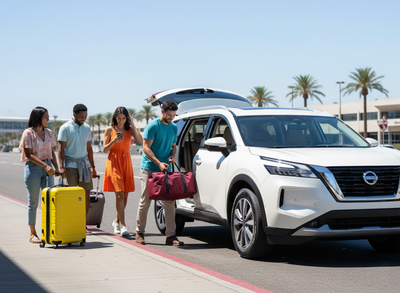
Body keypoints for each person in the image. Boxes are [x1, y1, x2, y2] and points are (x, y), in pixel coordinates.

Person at [135, 100, 184, 246]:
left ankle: (171, 236)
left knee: (169, 201)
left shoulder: (174, 127)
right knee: (146, 200)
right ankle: (139, 233)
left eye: (174, 115)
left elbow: (173, 146)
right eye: (169, 114)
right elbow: (146, 148)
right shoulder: (152, 126)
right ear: (162, 111)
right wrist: (158, 163)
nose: (171, 117)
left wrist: (172, 155)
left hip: (165, 169)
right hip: (149, 168)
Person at [19, 107, 59, 243]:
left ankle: (49, 231)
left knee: (50, 201)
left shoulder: (48, 132)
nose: (48, 119)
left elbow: (51, 152)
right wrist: (45, 166)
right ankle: (33, 233)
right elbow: (29, 155)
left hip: (48, 168)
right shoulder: (28, 133)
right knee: (34, 202)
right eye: (46, 117)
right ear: (38, 117)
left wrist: (57, 167)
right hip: (34, 168)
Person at [103, 107, 143, 236]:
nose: (121, 120)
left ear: (127, 119)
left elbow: (140, 141)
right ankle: (123, 225)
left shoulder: (129, 130)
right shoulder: (109, 130)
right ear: (115, 117)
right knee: (119, 194)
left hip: (126, 161)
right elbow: (104, 149)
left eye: (124, 118)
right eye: (119, 118)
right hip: (114, 162)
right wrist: (113, 141)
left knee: (125, 195)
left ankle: (116, 221)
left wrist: (133, 125)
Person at [58, 104, 97, 234]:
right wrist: (61, 167)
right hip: (70, 165)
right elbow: (60, 148)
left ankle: (82, 224)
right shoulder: (65, 128)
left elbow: (89, 148)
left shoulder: (87, 128)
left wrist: (93, 167)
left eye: (85, 116)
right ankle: (71, 223)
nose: (84, 119)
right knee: (72, 196)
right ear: (74, 114)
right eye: (81, 116)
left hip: (84, 165)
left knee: (86, 194)